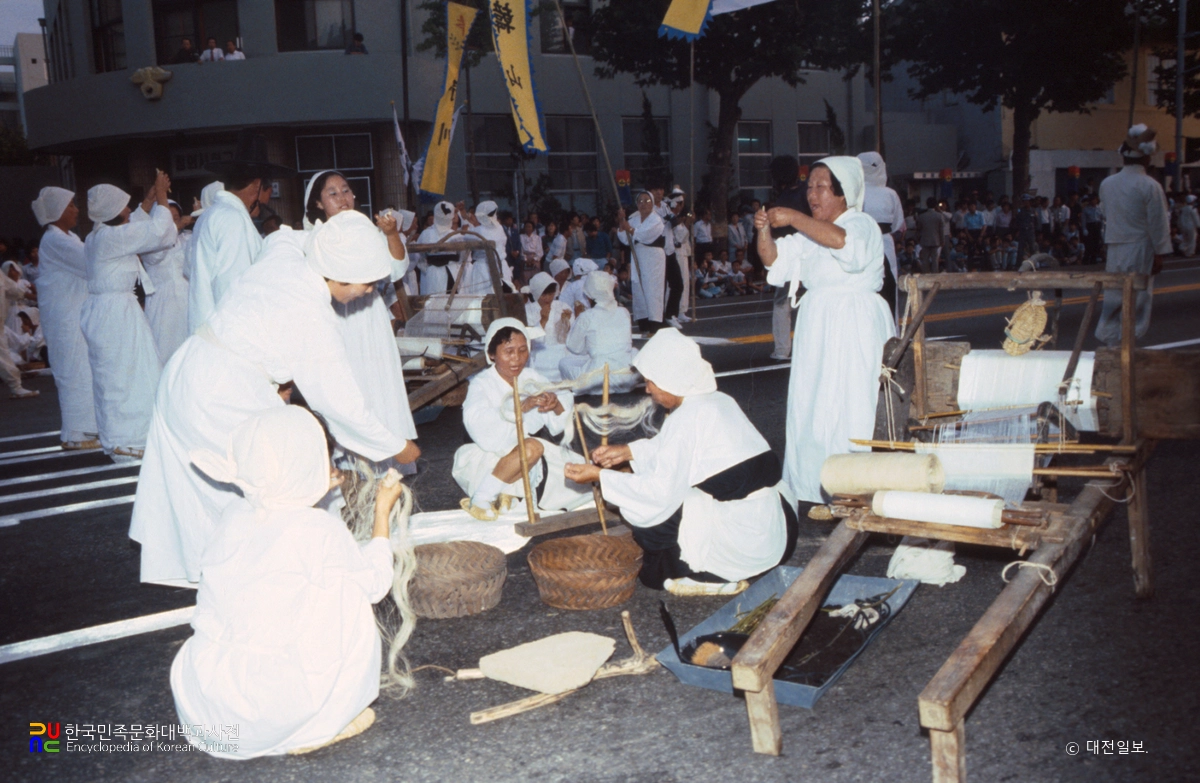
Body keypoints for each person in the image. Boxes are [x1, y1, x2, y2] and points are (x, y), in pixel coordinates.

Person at [129, 210, 420, 588]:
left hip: (191, 369)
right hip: (219, 391)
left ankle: (237, 574)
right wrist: (397, 446)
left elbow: (283, 236)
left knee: (214, 489)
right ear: (340, 274)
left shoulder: (289, 258)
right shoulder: (312, 314)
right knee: (283, 477)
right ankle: (296, 575)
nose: (367, 293)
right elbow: (342, 405)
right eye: (366, 285)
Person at [171, 406, 399, 758]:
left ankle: (303, 719)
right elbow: (376, 584)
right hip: (271, 710)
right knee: (348, 590)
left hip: (206, 705)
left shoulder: (235, 514)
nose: (331, 463)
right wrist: (382, 512)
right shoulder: (316, 528)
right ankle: (319, 721)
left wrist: (313, 487)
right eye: (323, 456)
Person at [564, 328, 797, 596]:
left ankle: (708, 571)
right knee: (665, 502)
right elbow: (678, 453)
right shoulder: (716, 400)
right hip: (778, 525)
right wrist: (629, 452)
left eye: (652, 381)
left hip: (744, 541)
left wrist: (599, 476)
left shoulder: (687, 418)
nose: (647, 388)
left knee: (651, 535)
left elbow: (657, 493)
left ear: (672, 380)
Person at [755, 156, 895, 506]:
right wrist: (763, 230)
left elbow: (842, 243)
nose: (812, 194)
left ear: (843, 194)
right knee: (814, 404)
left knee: (852, 404)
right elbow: (773, 260)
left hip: (854, 326)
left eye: (821, 187)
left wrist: (794, 217)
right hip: (818, 327)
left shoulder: (861, 224)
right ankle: (814, 487)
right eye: (810, 187)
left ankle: (857, 488)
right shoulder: (808, 235)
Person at [303, 171, 417, 467]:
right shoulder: (314, 239)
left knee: (378, 387)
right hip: (337, 320)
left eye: (346, 190)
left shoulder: (369, 232)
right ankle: (348, 463)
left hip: (371, 319)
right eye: (332, 193)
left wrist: (391, 234)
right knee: (348, 387)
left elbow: (396, 269)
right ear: (318, 202)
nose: (343, 198)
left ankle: (384, 464)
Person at [453, 317, 591, 519]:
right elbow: (480, 427)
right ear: (491, 354)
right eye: (508, 352)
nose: (517, 359)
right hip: (487, 458)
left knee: (582, 479)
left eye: (522, 350)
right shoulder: (481, 384)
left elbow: (560, 406)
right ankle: (482, 498)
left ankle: (508, 495)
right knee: (532, 448)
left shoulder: (531, 377)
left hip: (527, 455)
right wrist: (520, 407)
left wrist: (555, 404)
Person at [81, 175, 177, 459]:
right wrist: (161, 197)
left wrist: (147, 202)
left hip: (112, 310)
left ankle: (128, 436)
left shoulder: (98, 235)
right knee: (124, 375)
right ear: (115, 211)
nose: (128, 207)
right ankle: (126, 439)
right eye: (124, 205)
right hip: (115, 312)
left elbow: (134, 228)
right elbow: (160, 233)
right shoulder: (111, 237)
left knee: (128, 373)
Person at [189, 132, 293, 332]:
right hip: (229, 334)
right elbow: (232, 289)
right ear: (257, 184)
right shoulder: (232, 220)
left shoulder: (213, 215)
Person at [1094, 125, 1172, 347]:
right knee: (1138, 296)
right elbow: (1158, 222)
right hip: (1140, 246)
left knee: (1114, 294)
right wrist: (1160, 253)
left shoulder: (1107, 184)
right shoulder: (1150, 185)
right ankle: (1126, 341)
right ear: (1146, 159)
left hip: (1115, 246)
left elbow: (1105, 213)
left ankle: (1111, 340)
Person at [30, 187, 97, 440]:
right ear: (58, 211)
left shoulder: (65, 238)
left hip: (72, 314)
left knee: (81, 369)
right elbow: (92, 262)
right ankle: (76, 431)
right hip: (66, 319)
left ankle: (85, 426)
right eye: (71, 206)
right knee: (74, 370)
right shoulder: (56, 240)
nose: (76, 210)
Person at [559, 270, 637, 394]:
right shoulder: (624, 312)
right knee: (633, 351)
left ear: (589, 295)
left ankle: (578, 395)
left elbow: (574, 348)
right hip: (627, 379)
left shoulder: (587, 316)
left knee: (564, 363)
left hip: (597, 379)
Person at [141, 201, 193, 362]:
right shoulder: (148, 244)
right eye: (170, 219)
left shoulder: (186, 238)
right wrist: (174, 228)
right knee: (165, 351)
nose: (175, 222)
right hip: (163, 305)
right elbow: (157, 253)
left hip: (186, 301)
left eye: (177, 217)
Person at [767, 157, 807, 361]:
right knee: (806, 299)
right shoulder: (806, 192)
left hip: (790, 253)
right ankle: (807, 346)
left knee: (782, 301)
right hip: (810, 250)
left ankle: (782, 349)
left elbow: (776, 231)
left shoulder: (783, 199)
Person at [857, 152, 905, 318]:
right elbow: (898, 225)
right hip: (885, 243)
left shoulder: (857, 194)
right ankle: (892, 334)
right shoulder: (890, 194)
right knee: (890, 289)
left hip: (861, 244)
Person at [616, 191, 667, 334]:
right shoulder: (634, 219)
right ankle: (644, 325)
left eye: (647, 201)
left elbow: (645, 235)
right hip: (638, 255)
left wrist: (629, 228)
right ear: (637, 204)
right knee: (639, 290)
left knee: (652, 290)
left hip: (653, 258)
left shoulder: (656, 219)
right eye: (640, 201)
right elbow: (625, 239)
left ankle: (655, 325)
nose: (644, 204)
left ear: (652, 203)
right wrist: (622, 221)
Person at [523, 271, 573, 381]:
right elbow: (530, 338)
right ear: (536, 293)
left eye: (550, 294)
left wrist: (565, 321)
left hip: (560, 353)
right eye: (544, 295)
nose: (547, 298)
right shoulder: (528, 310)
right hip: (539, 355)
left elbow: (567, 336)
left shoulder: (562, 306)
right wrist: (543, 321)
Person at [458, 200, 514, 294]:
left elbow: (465, 236)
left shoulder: (478, 231)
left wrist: (464, 230)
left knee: (483, 297)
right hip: (501, 266)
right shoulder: (499, 227)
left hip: (484, 268)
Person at [415, 201, 463, 295]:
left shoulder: (426, 234)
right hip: (449, 271)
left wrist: (427, 268)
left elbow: (419, 257)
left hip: (436, 274)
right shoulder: (456, 235)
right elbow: (463, 256)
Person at [916, 198, 944, 273]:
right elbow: (941, 230)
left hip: (924, 239)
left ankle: (926, 274)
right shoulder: (939, 216)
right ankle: (935, 274)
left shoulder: (921, 216)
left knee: (925, 259)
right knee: (935, 259)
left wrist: (918, 238)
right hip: (935, 240)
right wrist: (942, 240)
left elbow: (918, 229)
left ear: (926, 204)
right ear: (935, 205)